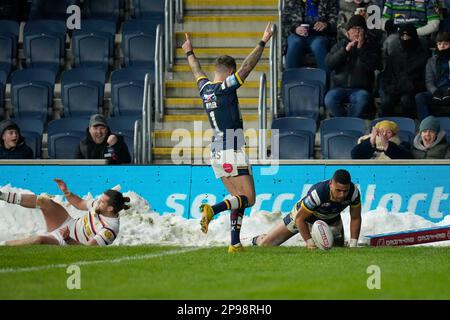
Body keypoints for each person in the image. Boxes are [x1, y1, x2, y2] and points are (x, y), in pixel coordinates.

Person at [182, 23, 273, 253]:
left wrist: (189, 52)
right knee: (249, 198)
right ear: (230, 73)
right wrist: (263, 41)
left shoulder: (205, 89)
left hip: (215, 151)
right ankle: (212, 209)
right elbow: (247, 67)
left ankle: (234, 243)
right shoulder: (225, 87)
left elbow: (196, 70)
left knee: (237, 197)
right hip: (232, 146)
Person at [251, 169, 361, 249]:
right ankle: (259, 239)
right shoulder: (318, 193)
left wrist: (354, 243)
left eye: (345, 191)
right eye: (338, 190)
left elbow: (355, 218)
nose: (342, 195)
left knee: (337, 249)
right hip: (303, 217)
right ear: (331, 184)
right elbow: (299, 219)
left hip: (331, 220)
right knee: (266, 245)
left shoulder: (354, 193)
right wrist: (309, 242)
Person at [0, 178, 130, 246]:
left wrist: (68, 239)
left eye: (102, 201)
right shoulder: (99, 206)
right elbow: (79, 203)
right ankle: (3, 196)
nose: (98, 201)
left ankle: (4, 245)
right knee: (45, 202)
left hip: (68, 241)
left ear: (110, 209)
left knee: (39, 239)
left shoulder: (109, 230)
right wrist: (66, 191)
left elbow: (88, 251)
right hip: (67, 223)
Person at [325, 15, 382, 118]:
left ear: (365, 32)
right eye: (353, 29)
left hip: (360, 89)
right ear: (347, 32)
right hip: (339, 87)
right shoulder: (339, 46)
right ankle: (344, 123)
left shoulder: (372, 46)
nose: (356, 32)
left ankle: (351, 123)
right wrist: (344, 51)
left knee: (362, 98)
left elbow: (376, 65)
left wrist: (361, 49)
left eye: (359, 29)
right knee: (329, 99)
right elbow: (329, 64)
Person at [378, 24, 428, 118]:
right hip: (394, 89)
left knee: (406, 100)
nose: (405, 39)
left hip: (412, 91)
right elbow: (387, 75)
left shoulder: (422, 56)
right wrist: (389, 88)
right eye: (403, 36)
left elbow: (423, 79)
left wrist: (411, 87)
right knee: (386, 102)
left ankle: (408, 126)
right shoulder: (394, 55)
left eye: (408, 36)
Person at [282, 0, 339, 70]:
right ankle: (289, 78)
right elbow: (284, 24)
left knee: (318, 44)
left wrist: (326, 25)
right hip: (296, 35)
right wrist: (295, 29)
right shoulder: (292, 2)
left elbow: (337, 20)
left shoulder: (329, 1)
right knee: (294, 43)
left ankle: (326, 78)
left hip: (320, 36)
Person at [415, 31, 450, 121]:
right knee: (420, 97)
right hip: (437, 92)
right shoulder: (431, 61)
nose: (442, 46)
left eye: (445, 44)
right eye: (439, 43)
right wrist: (435, 92)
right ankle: (426, 125)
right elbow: (429, 81)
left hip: (448, 91)